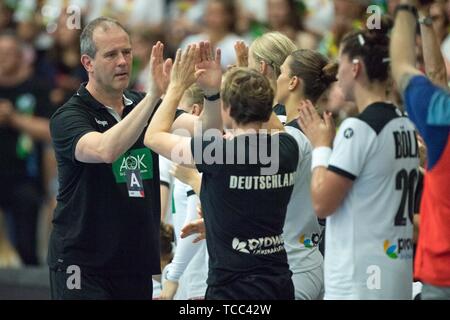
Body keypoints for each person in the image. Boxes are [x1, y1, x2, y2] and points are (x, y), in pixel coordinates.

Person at [144, 43, 298, 299]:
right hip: (279, 284)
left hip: (232, 290)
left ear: (228, 110)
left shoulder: (219, 154)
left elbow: (153, 136)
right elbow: (262, 116)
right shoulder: (287, 146)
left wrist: (176, 87)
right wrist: (228, 89)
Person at [297, 25, 420, 299]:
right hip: (396, 274)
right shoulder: (405, 124)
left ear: (355, 68)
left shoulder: (359, 128)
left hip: (358, 282)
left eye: (340, 62)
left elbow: (322, 203)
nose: (336, 73)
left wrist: (321, 146)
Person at [48, 17, 165, 300]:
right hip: (81, 267)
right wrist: (153, 98)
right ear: (88, 62)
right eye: (111, 55)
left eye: (126, 51)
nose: (123, 61)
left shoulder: (145, 104)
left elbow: (196, 130)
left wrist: (211, 96)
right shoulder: (69, 117)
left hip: (134, 263)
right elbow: (105, 150)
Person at [390, 0, 450, 299]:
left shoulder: (444, 122)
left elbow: (402, 67)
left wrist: (407, 9)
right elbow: (439, 79)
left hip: (442, 277)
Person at [0, 31, 53, 266]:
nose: (2, 59)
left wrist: (14, 119)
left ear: (21, 56)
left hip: (25, 179)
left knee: (26, 247)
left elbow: (50, 129)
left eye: (8, 54)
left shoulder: (37, 87)